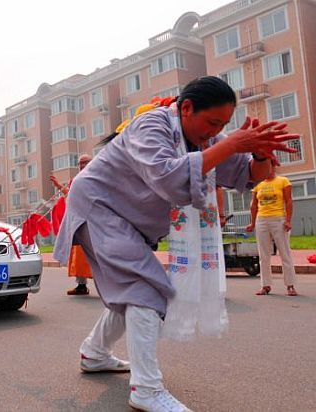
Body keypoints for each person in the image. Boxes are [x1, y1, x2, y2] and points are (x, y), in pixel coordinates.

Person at [53, 76, 297, 412]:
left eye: (223, 125)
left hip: (129, 219)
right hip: (99, 207)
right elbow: (167, 175)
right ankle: (146, 390)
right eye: (212, 122)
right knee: (144, 287)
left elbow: (249, 176)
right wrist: (231, 143)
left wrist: (257, 153)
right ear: (185, 108)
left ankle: (94, 353)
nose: (215, 132)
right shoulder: (150, 124)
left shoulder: (204, 138)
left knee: (133, 288)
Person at [246, 167, 297, 296]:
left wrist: (288, 220)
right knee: (263, 255)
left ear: (273, 167)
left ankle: (290, 285)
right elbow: (253, 205)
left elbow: (289, 201)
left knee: (285, 253)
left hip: (278, 220)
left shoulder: (283, 181)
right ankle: (265, 285)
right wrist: (252, 223)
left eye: (269, 167)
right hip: (261, 220)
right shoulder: (259, 185)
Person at [50, 154, 93, 296]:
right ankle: (81, 285)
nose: (83, 165)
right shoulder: (76, 180)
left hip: (94, 221)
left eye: (86, 162)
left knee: (98, 254)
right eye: (81, 163)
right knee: (79, 254)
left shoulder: (96, 176)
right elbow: (71, 195)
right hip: (79, 222)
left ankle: (112, 286)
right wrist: (58, 186)